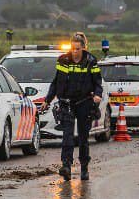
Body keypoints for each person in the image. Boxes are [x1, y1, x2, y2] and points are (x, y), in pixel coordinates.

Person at [42, 32, 103, 181]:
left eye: (77, 49)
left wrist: (97, 95)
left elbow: (98, 83)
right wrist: (47, 100)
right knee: (67, 136)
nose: (74, 52)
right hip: (67, 102)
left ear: (83, 48)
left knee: (83, 137)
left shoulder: (91, 61)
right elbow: (56, 82)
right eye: (72, 48)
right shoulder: (63, 60)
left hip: (84, 102)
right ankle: (66, 166)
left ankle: (84, 168)